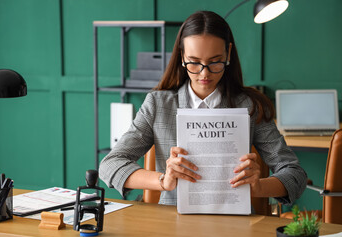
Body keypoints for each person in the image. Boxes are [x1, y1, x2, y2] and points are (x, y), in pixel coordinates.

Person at [99, 10, 307, 206]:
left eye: (215, 62)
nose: (204, 74)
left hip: (234, 224)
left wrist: (259, 186)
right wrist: (164, 180)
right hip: (172, 222)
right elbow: (110, 164)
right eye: (194, 62)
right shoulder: (158, 104)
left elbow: (295, 174)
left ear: (228, 54)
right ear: (182, 56)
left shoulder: (250, 106)